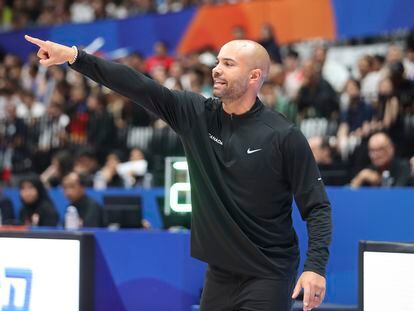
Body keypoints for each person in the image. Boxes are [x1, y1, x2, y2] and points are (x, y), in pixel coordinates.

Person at [25, 35, 332, 311]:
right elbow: (136, 85)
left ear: (254, 76)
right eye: (217, 61)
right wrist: (75, 57)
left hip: (269, 273)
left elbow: (316, 206)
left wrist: (315, 267)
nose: (216, 69)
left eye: (228, 63)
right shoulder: (195, 114)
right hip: (220, 273)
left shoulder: (282, 135)